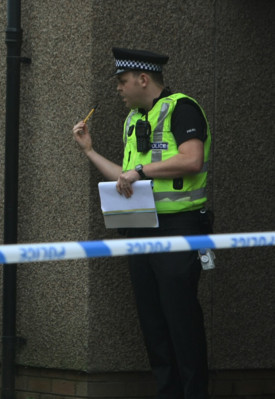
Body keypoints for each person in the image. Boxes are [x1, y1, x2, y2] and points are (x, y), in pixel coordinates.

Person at [72, 48, 211, 399]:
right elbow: (126, 177)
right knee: (153, 324)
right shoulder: (133, 120)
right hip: (141, 229)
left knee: (181, 320)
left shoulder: (183, 108)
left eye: (122, 81)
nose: (118, 88)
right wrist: (89, 151)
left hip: (179, 228)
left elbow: (192, 160)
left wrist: (141, 171)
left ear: (143, 79)